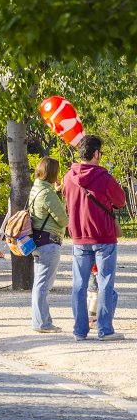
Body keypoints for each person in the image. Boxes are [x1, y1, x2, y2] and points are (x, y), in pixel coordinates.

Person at [63, 134, 127, 341]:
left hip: (79, 237)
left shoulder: (68, 177)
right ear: (97, 154)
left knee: (79, 285)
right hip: (104, 237)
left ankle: (79, 331)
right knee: (105, 283)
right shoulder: (105, 178)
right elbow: (120, 201)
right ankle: (104, 329)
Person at [29, 157, 68, 334]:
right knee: (43, 285)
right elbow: (63, 220)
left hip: (37, 241)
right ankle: (43, 323)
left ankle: (40, 321)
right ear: (53, 173)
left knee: (39, 284)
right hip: (49, 242)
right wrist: (61, 199)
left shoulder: (36, 188)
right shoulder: (48, 194)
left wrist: (57, 192)